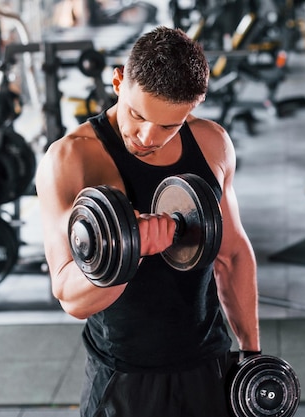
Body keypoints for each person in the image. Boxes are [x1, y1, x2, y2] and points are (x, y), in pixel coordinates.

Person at [35, 26, 260, 417]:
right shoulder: (71, 160)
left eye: (169, 126)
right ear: (119, 81)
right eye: (137, 115)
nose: (147, 136)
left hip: (209, 364)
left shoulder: (211, 144)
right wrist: (130, 252)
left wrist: (252, 355)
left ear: (192, 108)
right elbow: (69, 296)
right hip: (124, 378)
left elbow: (233, 256)